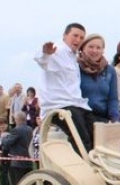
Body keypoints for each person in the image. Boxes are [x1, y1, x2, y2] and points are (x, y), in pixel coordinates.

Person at [35, 22, 94, 153]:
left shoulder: (73, 56)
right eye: (75, 35)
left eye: (81, 37)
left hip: (76, 104)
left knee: (95, 130)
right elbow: (42, 60)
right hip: (59, 105)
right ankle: (85, 168)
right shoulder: (58, 50)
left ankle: (94, 161)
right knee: (81, 138)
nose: (78, 40)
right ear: (65, 35)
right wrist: (45, 53)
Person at [78, 34, 120, 129]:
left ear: (102, 50)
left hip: (103, 118)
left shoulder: (110, 70)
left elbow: (113, 98)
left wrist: (115, 119)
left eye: (98, 48)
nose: (94, 50)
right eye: (91, 47)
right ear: (83, 48)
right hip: (82, 118)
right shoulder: (76, 68)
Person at [0, 111, 35, 185]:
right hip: (28, 157)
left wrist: (4, 138)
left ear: (17, 120)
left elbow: (8, 142)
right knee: (28, 180)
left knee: (18, 182)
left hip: (18, 160)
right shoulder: (30, 129)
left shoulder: (16, 130)